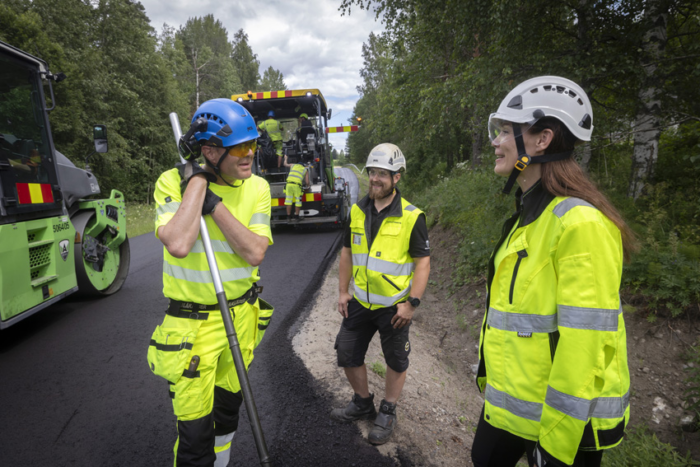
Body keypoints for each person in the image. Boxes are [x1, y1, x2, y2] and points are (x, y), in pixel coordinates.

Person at [471, 76, 635, 467]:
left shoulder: (581, 225)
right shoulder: (527, 218)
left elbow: (585, 344)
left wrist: (556, 446)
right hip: (515, 400)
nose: (495, 142)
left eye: (505, 131)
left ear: (542, 140)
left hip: (565, 422)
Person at [148, 98, 274, 467]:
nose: (250, 154)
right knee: (195, 437)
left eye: (253, 145)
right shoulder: (171, 182)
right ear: (210, 151)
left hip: (242, 318)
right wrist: (197, 185)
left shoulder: (258, 188)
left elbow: (254, 252)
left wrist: (214, 205)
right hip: (193, 329)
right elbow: (179, 242)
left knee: (227, 416)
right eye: (241, 148)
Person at [331, 143, 431, 445]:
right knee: (347, 353)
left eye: (382, 174)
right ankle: (363, 403)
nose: (375, 179)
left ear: (396, 178)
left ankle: (387, 411)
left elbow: (423, 263)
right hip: (359, 301)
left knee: (396, 361)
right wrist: (342, 291)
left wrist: (411, 303)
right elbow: (347, 252)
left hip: (394, 307)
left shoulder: (412, 217)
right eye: (372, 172)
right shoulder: (358, 210)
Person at [282, 154, 310, 223]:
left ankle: (288, 217)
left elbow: (285, 164)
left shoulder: (293, 165)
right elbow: (307, 182)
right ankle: (296, 216)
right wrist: (308, 187)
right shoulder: (305, 170)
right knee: (298, 201)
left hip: (288, 185)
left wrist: (285, 158)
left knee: (288, 201)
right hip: (297, 186)